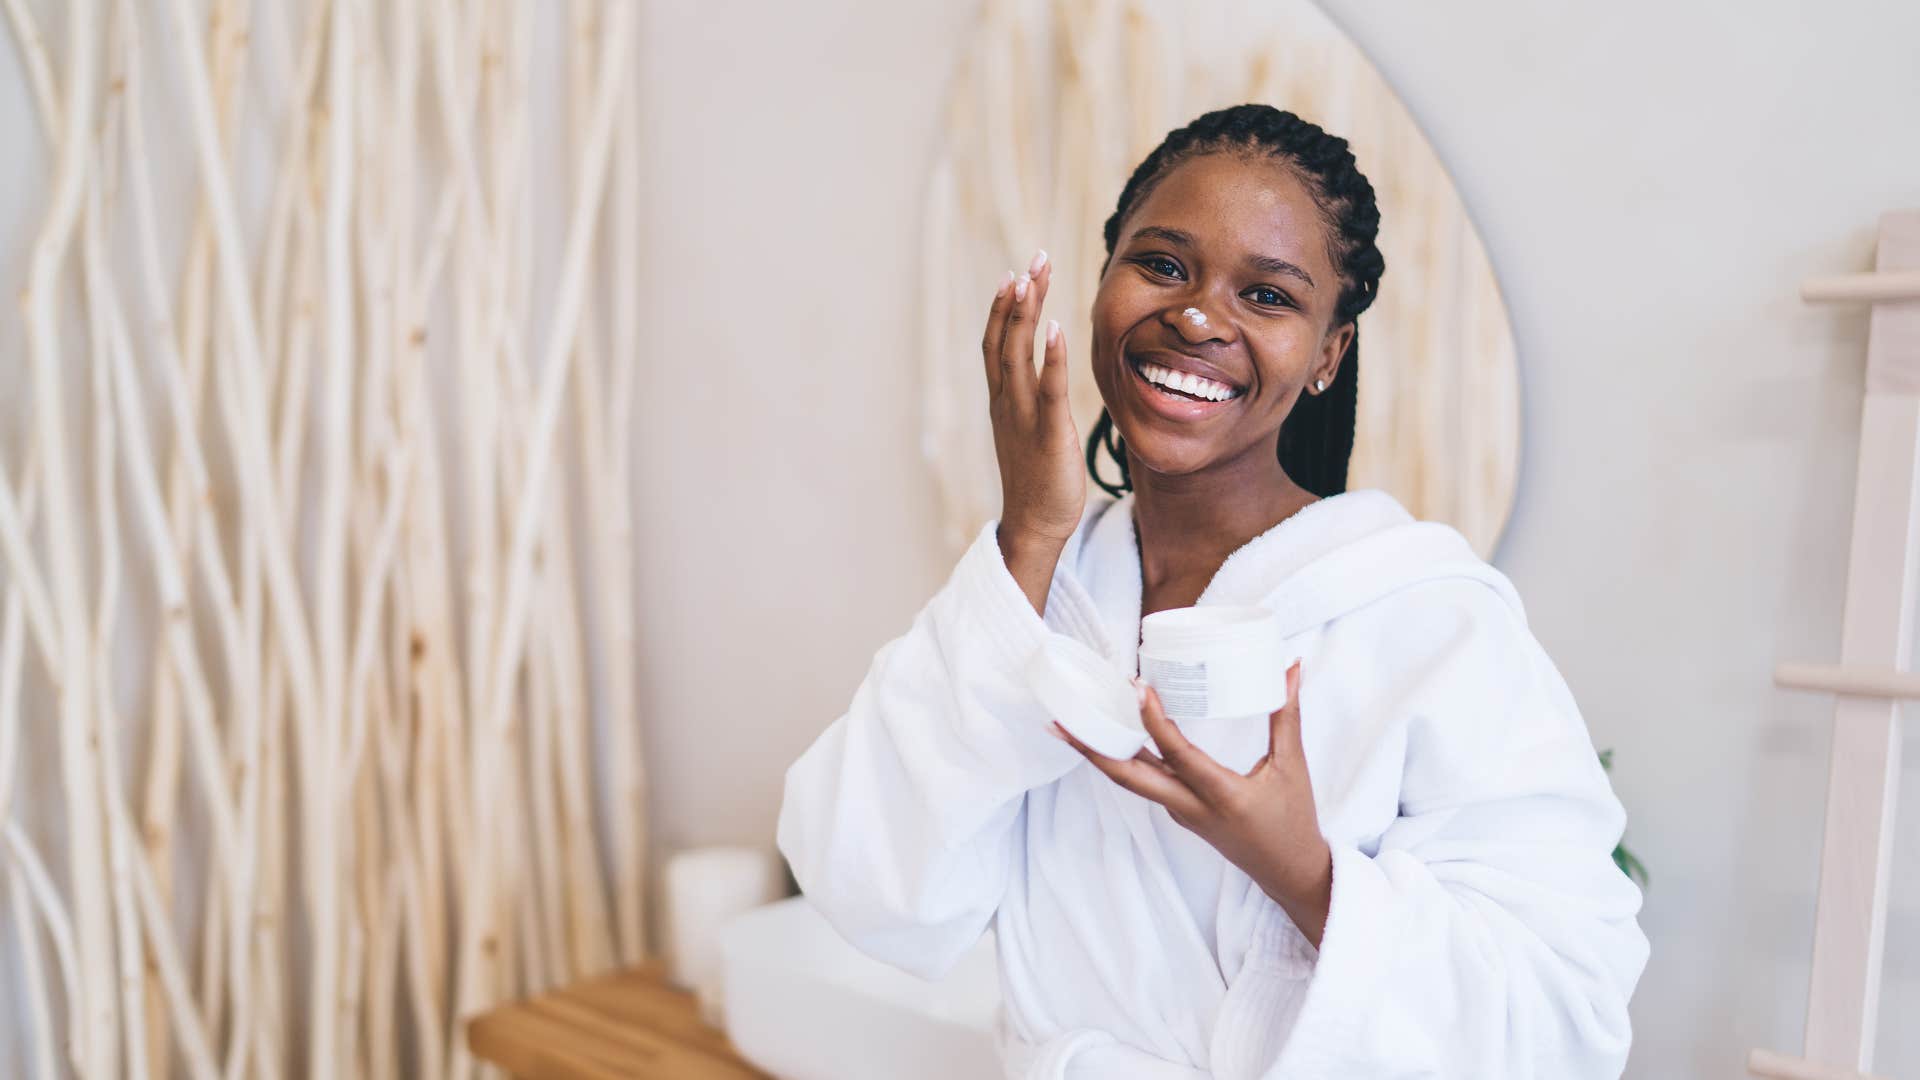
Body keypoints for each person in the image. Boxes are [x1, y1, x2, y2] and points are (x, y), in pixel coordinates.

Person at [776, 103, 1648, 1079]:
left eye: (1268, 296)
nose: (1196, 317)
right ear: (1103, 279)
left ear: (1328, 354)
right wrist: (1029, 533)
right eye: (1162, 264)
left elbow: (1571, 1018)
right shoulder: (1048, 589)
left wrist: (1303, 872)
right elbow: (870, 890)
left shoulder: (1426, 617)